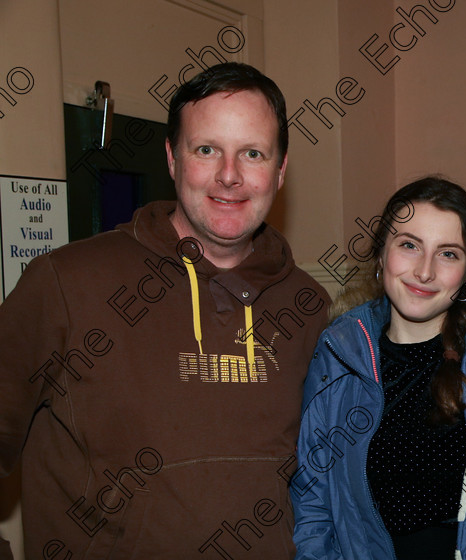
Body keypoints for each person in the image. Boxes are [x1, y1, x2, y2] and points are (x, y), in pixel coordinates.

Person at [0, 63, 329, 558]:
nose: (229, 176)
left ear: (280, 171)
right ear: (173, 159)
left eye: (253, 153)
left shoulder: (307, 306)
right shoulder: (66, 284)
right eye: (206, 150)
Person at [291, 177, 466, 559]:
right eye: (409, 245)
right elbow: (314, 506)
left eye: (448, 254)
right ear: (381, 255)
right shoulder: (339, 352)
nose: (424, 271)